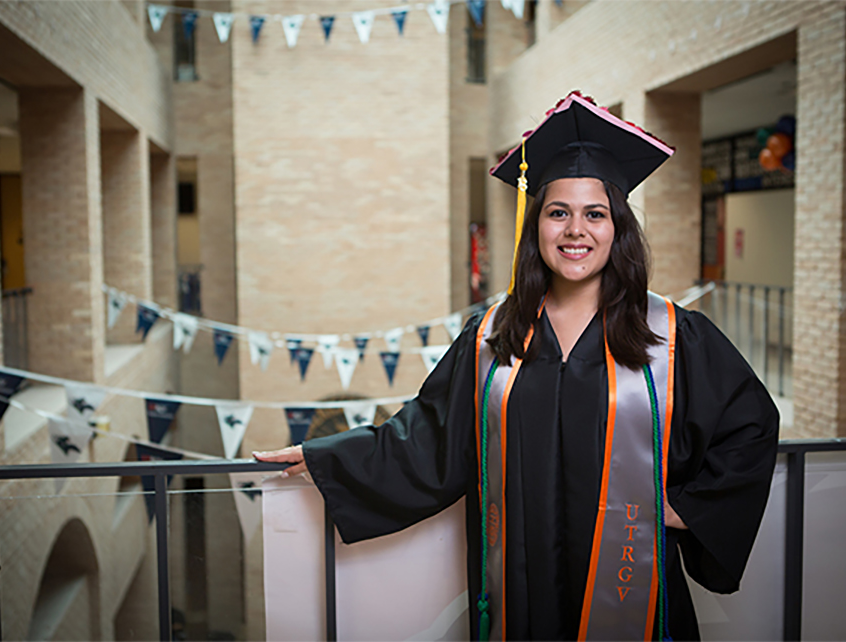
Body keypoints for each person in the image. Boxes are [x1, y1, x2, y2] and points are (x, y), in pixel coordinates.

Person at [256, 91, 779, 641]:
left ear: (617, 228)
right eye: (558, 213)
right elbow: (429, 438)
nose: (576, 230)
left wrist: (688, 511)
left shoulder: (670, 338)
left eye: (595, 214)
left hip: (635, 589)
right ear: (537, 227)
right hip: (519, 595)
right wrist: (328, 458)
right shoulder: (492, 339)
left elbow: (750, 425)